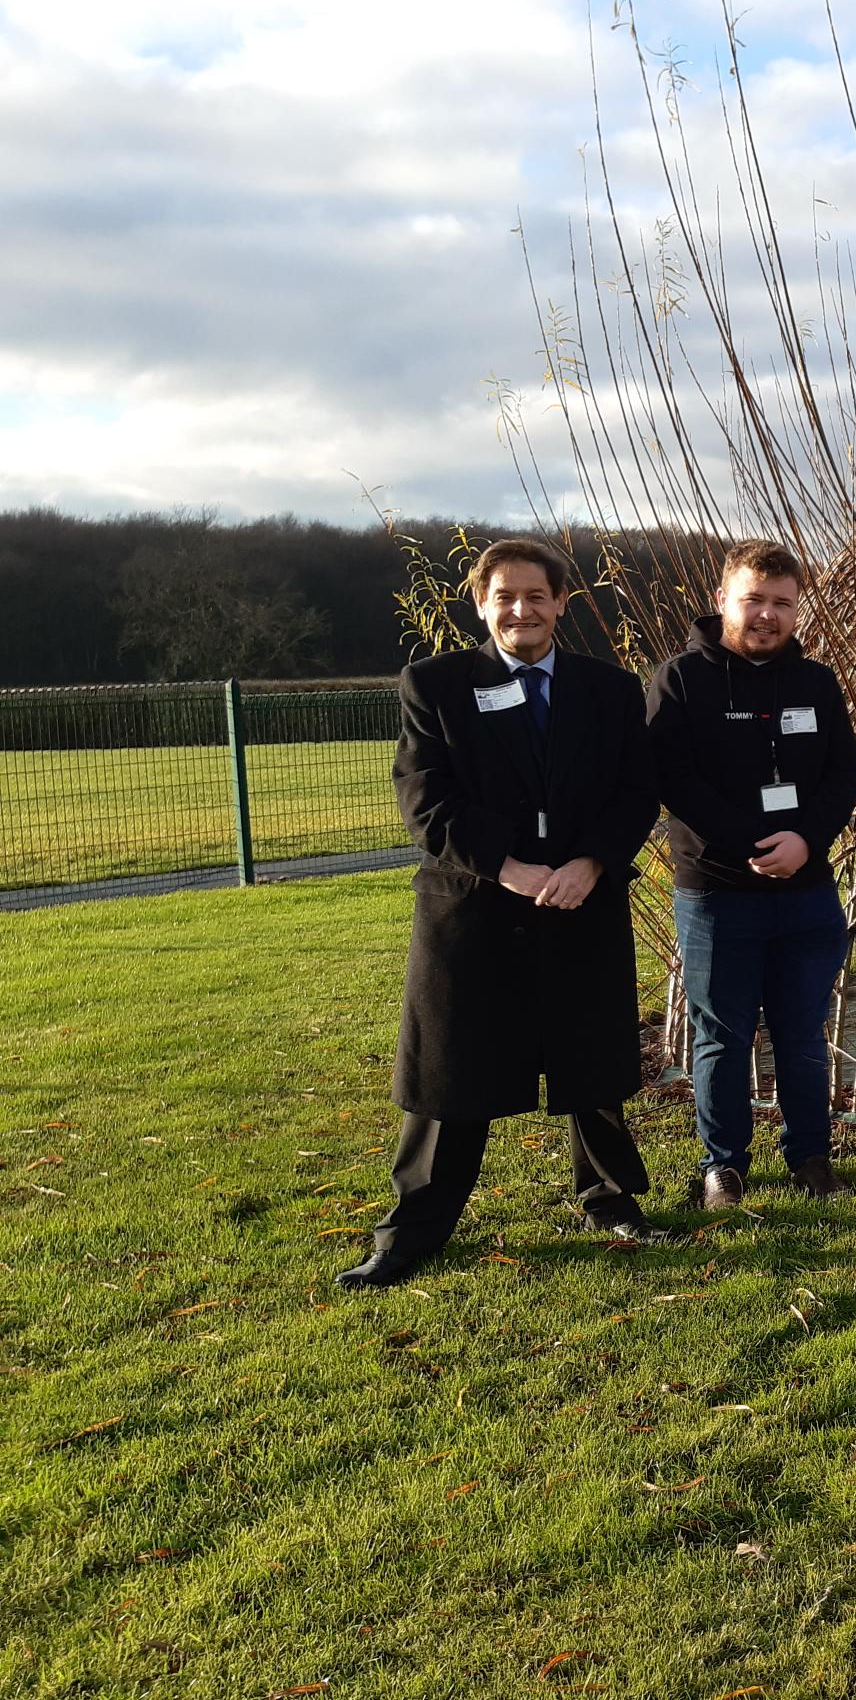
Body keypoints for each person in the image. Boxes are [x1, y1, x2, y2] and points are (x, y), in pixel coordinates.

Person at [338, 538, 670, 1289]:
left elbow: (633, 791)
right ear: (481, 603)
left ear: (561, 602)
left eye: (536, 596)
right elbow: (426, 799)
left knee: (592, 1062)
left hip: (582, 902)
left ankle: (615, 1203)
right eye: (504, 597)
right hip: (475, 910)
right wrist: (511, 869)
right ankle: (412, 1230)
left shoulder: (610, 690)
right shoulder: (435, 685)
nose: (521, 610)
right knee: (449, 1075)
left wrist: (591, 863)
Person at [647, 540, 856, 1207]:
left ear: (797, 610)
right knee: (722, 1036)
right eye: (754, 600)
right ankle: (724, 1167)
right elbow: (673, 778)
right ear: (722, 601)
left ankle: (811, 1158)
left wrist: (805, 839)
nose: (767, 615)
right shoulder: (680, 681)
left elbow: (843, 773)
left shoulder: (816, 684)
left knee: (802, 1032)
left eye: (781, 603)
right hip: (719, 893)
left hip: (806, 893)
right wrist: (754, 842)